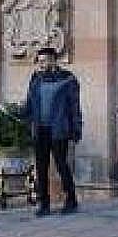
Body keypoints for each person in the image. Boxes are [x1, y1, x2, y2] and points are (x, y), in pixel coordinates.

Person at [21, 46, 82, 216]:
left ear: (53, 60)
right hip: (40, 129)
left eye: (44, 60)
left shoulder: (68, 79)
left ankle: (71, 200)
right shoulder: (35, 79)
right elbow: (30, 103)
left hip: (59, 129)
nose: (41, 64)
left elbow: (74, 106)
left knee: (62, 165)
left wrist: (76, 128)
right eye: (39, 61)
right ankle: (44, 204)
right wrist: (22, 115)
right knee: (41, 168)